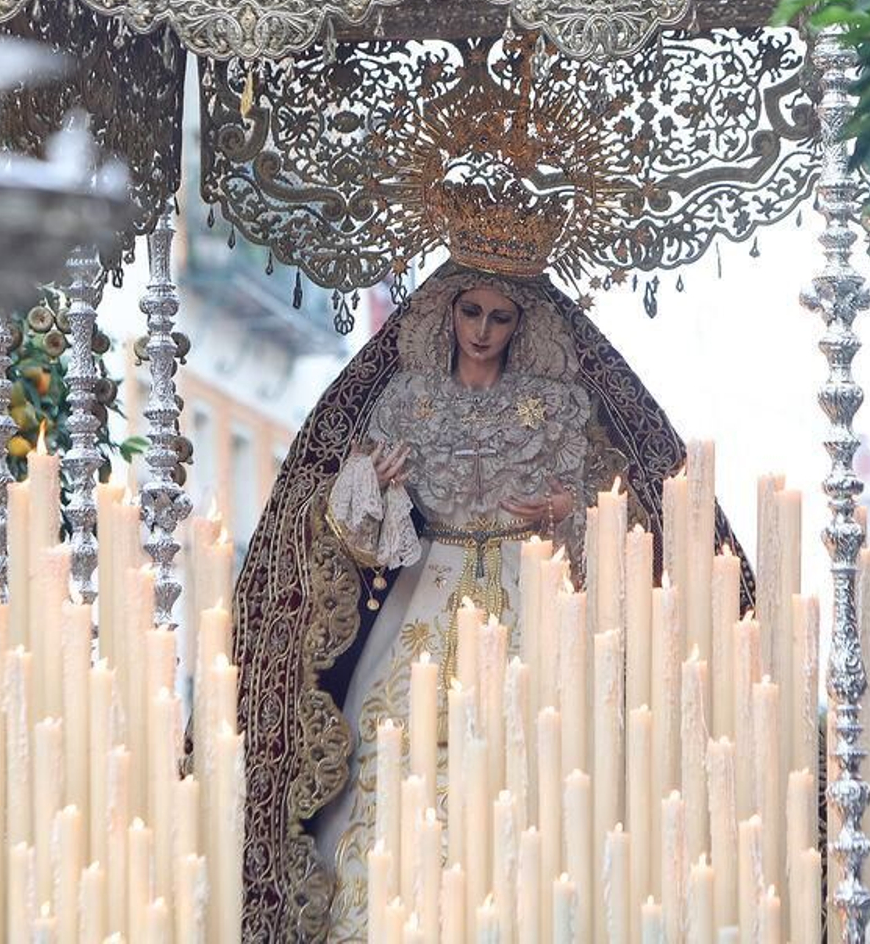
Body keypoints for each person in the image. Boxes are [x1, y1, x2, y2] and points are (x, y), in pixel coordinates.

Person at [233, 249, 756, 942]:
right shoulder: (404, 401)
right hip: (430, 589)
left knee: (543, 753)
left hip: (527, 589)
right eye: (471, 311)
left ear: (523, 324)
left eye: (499, 317)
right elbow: (356, 541)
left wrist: (570, 509)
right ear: (446, 312)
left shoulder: (560, 407)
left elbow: (618, 519)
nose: (482, 330)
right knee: (400, 753)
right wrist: (372, 486)